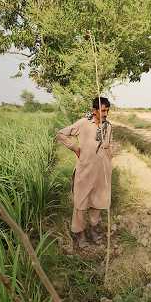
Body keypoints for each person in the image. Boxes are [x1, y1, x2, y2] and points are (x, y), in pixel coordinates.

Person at [56, 97, 113, 248]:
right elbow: (61, 134)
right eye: (102, 111)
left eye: (107, 110)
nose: (105, 114)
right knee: (81, 203)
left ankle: (94, 230)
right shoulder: (83, 123)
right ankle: (79, 234)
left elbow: (108, 147)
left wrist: (108, 164)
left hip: (102, 172)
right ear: (94, 111)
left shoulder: (108, 126)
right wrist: (74, 147)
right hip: (85, 170)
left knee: (98, 201)